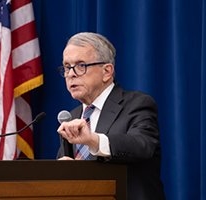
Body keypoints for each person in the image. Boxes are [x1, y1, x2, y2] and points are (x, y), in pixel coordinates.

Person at [56, 32, 166, 200]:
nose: (71, 74)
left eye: (80, 66)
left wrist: (93, 140)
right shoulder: (73, 116)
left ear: (107, 71)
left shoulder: (137, 104)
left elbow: (142, 145)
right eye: (67, 67)